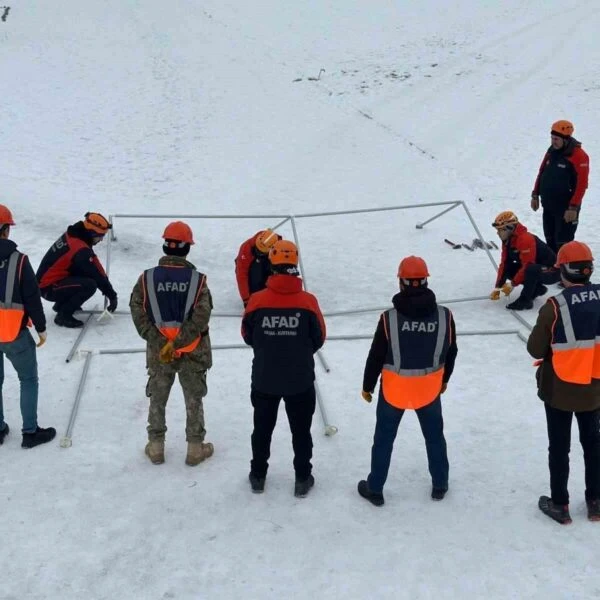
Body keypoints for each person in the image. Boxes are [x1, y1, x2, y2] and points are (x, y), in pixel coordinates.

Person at [358, 256, 457, 506]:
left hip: (394, 391)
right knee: (434, 437)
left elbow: (376, 355)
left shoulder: (389, 318)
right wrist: (444, 380)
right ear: (425, 281)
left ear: (401, 282)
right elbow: (451, 350)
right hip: (429, 390)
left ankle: (376, 488)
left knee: (383, 439)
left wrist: (368, 386)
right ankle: (440, 484)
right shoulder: (445, 316)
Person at [242, 240, 326, 497]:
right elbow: (319, 337)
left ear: (272, 265)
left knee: (262, 428)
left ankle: (258, 475)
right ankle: (302, 477)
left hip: (265, 377)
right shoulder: (309, 302)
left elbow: (247, 335)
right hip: (299, 379)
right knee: (301, 431)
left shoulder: (257, 301)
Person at [527, 240, 600, 524]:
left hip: (558, 389)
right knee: (593, 444)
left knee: (559, 446)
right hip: (594, 389)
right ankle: (595, 501)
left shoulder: (555, 306)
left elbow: (535, 349)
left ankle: (560, 504)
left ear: (563, 271)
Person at [130, 221, 214, 466]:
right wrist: (178, 341)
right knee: (194, 399)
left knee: (157, 397)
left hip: (160, 353)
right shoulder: (198, 281)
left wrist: (161, 342)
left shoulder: (146, 279)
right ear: (187, 248)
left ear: (165, 246)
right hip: (193, 350)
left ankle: (156, 448)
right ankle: (195, 449)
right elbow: (201, 316)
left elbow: (137, 311)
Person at [0, 204, 55, 449]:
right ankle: (30, 432)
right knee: (28, 379)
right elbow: (32, 297)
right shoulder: (19, 261)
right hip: (15, 334)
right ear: (5, 230)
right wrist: (41, 328)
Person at [36, 212, 118, 328]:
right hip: (48, 288)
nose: (101, 240)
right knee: (89, 285)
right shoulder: (79, 248)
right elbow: (94, 273)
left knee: (84, 274)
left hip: (51, 281)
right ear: (91, 233)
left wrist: (111, 293)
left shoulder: (76, 235)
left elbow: (94, 264)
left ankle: (61, 305)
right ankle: (63, 315)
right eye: (100, 236)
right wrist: (112, 295)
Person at [531, 120, 590, 253]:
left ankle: (564, 270)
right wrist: (535, 194)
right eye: (552, 138)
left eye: (556, 139)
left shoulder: (579, 156)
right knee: (550, 239)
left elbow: (582, 185)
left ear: (566, 139)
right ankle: (553, 269)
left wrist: (573, 207)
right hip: (549, 206)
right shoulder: (552, 151)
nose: (553, 142)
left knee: (563, 242)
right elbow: (542, 172)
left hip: (566, 209)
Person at [489, 211, 559, 311]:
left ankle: (525, 300)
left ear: (510, 228)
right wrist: (498, 287)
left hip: (552, 271)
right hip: (538, 268)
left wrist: (512, 284)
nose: (498, 233)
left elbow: (527, 265)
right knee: (508, 268)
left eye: (500, 230)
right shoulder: (508, 241)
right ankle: (537, 289)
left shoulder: (525, 239)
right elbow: (504, 263)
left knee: (531, 269)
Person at [235, 229, 281, 307]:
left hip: (270, 264)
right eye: (257, 249)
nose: (258, 252)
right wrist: (246, 299)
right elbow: (241, 274)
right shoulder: (246, 248)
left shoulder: (281, 249)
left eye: (261, 252)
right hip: (254, 268)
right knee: (256, 271)